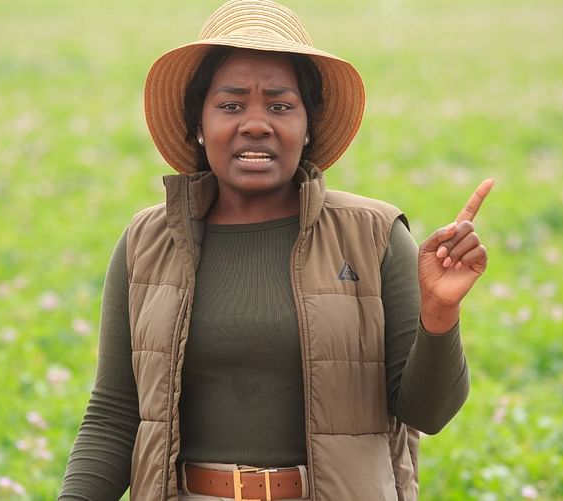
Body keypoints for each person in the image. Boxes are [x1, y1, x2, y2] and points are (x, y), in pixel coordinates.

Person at [59, 0, 493, 500]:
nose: (256, 123)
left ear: (308, 126)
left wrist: (440, 313)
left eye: (281, 105)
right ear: (198, 124)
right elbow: (114, 413)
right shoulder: (148, 241)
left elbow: (428, 413)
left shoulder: (374, 235)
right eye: (230, 104)